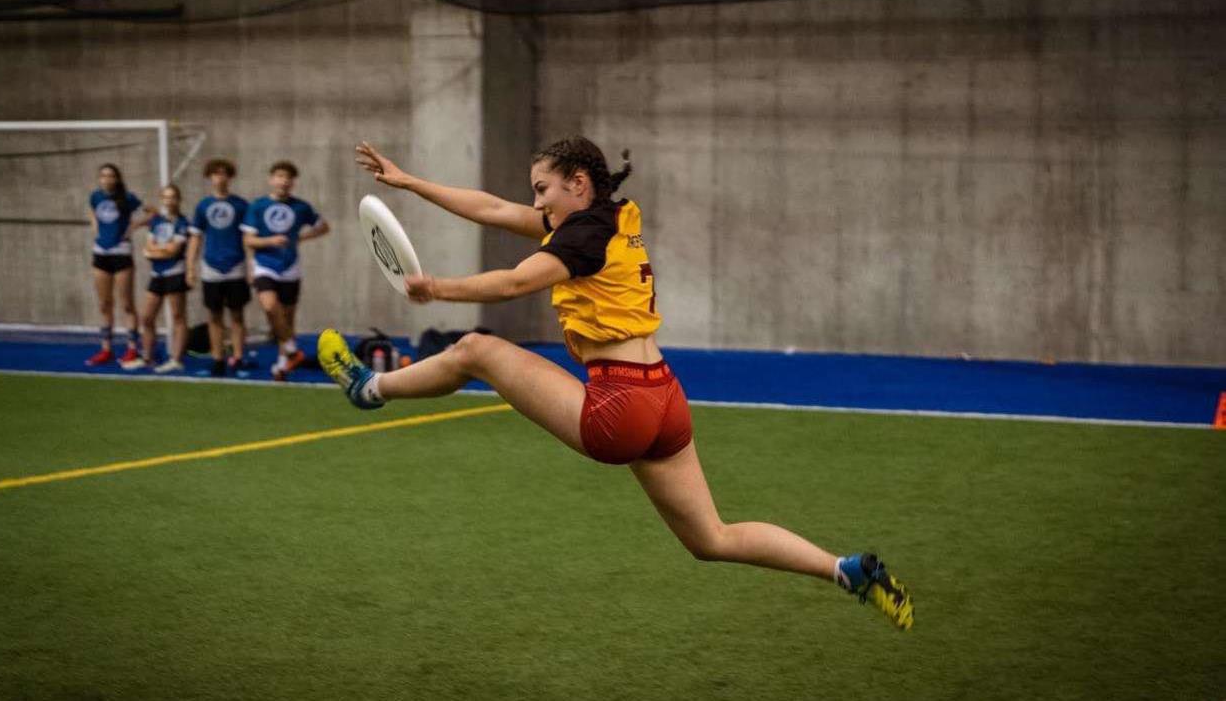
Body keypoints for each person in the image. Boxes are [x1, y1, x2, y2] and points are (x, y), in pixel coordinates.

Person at [317, 137, 914, 630]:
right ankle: (845, 569)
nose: (537, 203)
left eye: (544, 190)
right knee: (712, 537)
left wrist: (435, 288)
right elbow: (494, 210)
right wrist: (410, 182)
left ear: (579, 182)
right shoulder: (614, 219)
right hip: (666, 401)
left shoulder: (579, 238)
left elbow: (511, 286)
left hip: (619, 405)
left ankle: (369, 388)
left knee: (476, 349)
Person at [241, 161, 331, 381]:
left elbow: (323, 227)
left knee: (288, 318)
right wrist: (270, 241)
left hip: (290, 267)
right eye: (279, 176)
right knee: (271, 306)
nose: (283, 181)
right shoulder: (258, 206)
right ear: (271, 179)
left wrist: (301, 237)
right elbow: (248, 239)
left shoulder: (301, 207)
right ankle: (291, 348)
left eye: (288, 177)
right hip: (264, 265)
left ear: (293, 182)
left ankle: (284, 362)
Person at [188, 158, 252, 377]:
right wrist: (190, 267)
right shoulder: (203, 206)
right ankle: (218, 359)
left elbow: (247, 238)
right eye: (215, 173)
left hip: (236, 266)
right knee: (214, 316)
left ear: (230, 177)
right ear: (209, 177)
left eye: (224, 173)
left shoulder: (241, 205)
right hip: (211, 268)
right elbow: (195, 238)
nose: (220, 178)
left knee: (237, 316)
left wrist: (251, 267)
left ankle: (238, 357)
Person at [122, 185, 190, 373]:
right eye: (166, 197)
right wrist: (160, 250)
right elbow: (148, 248)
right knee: (147, 317)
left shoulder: (182, 222)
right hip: (156, 275)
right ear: (162, 200)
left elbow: (173, 251)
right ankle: (147, 357)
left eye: (173, 197)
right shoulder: (156, 222)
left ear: (179, 200)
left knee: (178, 317)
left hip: (175, 273)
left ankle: (176, 359)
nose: (169, 201)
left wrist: (157, 251)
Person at [85, 163, 147, 366]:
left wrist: (133, 227)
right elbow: (91, 211)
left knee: (127, 303)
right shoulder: (96, 197)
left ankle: (132, 348)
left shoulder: (127, 198)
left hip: (121, 253)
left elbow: (152, 213)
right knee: (104, 304)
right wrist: (95, 227)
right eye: (103, 175)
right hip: (101, 253)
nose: (107, 179)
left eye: (111, 176)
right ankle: (106, 349)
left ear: (117, 178)